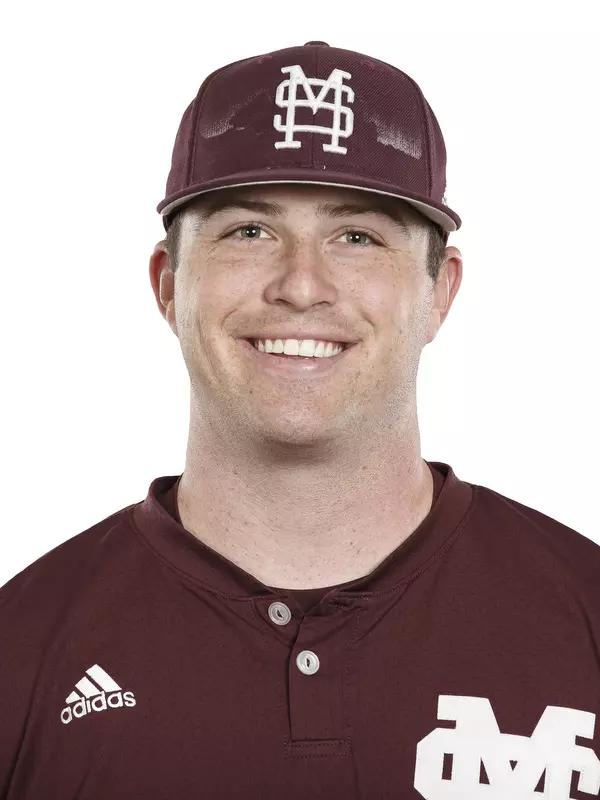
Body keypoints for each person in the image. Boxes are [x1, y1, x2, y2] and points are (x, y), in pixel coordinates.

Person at [1, 41, 599, 799]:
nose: (302, 285)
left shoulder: (585, 614)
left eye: (358, 237)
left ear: (440, 293)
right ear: (168, 285)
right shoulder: (22, 648)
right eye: (249, 231)